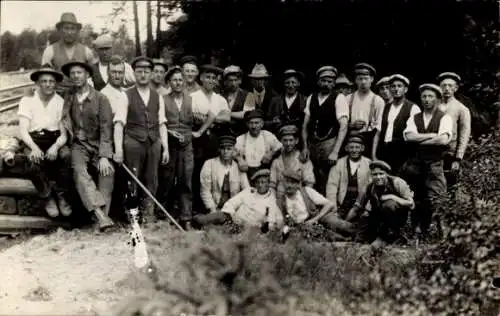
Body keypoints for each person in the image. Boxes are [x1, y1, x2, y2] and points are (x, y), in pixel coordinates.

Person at [113, 56, 170, 224]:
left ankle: (148, 213)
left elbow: (162, 124)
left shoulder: (157, 96)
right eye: (139, 72)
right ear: (134, 74)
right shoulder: (126, 95)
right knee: (133, 178)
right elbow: (118, 124)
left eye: (146, 71)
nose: (143, 75)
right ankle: (132, 214)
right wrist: (119, 150)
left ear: (151, 74)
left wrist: (165, 147)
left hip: (153, 143)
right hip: (133, 142)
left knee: (152, 179)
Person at [60, 61, 114, 231]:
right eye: (73, 73)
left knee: (107, 173)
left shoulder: (101, 98)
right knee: (79, 172)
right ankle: (100, 215)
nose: (76, 76)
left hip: (98, 145)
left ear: (88, 75)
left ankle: (101, 220)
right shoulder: (68, 97)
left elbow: (107, 128)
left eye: (79, 72)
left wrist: (104, 156)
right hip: (79, 145)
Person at [17, 67, 72, 218]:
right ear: (37, 84)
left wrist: (55, 147)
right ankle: (47, 197)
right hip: (33, 140)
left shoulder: (60, 102)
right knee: (31, 160)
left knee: (67, 156)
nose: (48, 85)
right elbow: (23, 131)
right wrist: (34, 148)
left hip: (54, 139)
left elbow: (64, 134)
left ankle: (61, 196)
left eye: (51, 81)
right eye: (44, 81)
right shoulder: (27, 101)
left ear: (55, 84)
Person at [402, 83, 453, 236]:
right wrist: (431, 135)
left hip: (435, 163)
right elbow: (408, 136)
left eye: (430, 96)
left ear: (437, 99)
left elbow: (443, 140)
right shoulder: (414, 118)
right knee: (417, 197)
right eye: (424, 96)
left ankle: (443, 233)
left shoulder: (444, 117)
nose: (427, 99)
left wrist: (419, 140)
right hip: (416, 164)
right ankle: (418, 231)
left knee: (438, 197)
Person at [301, 65, 349, 195]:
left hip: (330, 143)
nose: (326, 84)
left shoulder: (339, 98)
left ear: (333, 84)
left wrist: (335, 151)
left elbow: (343, 127)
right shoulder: (311, 97)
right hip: (313, 144)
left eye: (329, 82)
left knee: (328, 177)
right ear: (318, 82)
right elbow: (305, 124)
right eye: (323, 81)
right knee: (312, 174)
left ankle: (329, 207)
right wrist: (305, 146)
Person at [345, 160, 415, 248]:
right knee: (363, 222)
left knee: (389, 204)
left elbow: (411, 204)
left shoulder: (397, 182)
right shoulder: (369, 187)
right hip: (380, 220)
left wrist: (393, 197)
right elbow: (356, 207)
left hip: (399, 220)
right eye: (375, 174)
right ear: (371, 175)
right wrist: (345, 222)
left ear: (386, 174)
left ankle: (395, 235)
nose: (378, 177)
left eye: (381, 174)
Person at [157, 66, 194, 230]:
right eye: (174, 80)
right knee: (167, 179)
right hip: (169, 145)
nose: (178, 83)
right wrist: (170, 133)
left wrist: (197, 132)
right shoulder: (162, 99)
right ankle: (163, 214)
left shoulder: (192, 99)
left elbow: (205, 117)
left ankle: (186, 217)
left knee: (185, 179)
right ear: (169, 82)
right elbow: (159, 123)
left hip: (187, 145)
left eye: (180, 80)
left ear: (184, 81)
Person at [190, 64, 231, 210]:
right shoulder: (193, 97)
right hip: (198, 141)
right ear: (201, 78)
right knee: (197, 171)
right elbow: (191, 117)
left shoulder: (220, 99)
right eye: (208, 77)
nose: (211, 81)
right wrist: (213, 117)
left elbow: (226, 117)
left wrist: (207, 118)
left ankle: (212, 206)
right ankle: (196, 206)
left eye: (214, 78)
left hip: (214, 139)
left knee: (213, 171)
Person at [195, 169, 283, 230]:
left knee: (214, 232)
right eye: (257, 182)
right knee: (206, 219)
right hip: (231, 219)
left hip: (245, 230)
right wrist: (230, 215)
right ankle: (197, 220)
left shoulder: (272, 201)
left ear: (268, 183)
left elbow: (275, 221)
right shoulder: (249, 191)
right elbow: (232, 203)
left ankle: (204, 229)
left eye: (263, 182)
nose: (260, 185)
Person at [375, 74, 420, 173]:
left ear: (406, 89)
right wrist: (374, 155)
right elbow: (378, 133)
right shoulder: (385, 108)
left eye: (399, 86)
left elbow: (416, 137)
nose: (396, 89)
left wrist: (411, 160)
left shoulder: (413, 108)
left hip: (403, 154)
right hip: (384, 152)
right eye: (393, 86)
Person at [41, 13, 96, 95]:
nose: (69, 32)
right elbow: (44, 77)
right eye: (66, 28)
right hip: (57, 96)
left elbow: (92, 76)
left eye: (73, 29)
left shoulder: (86, 51)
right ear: (60, 30)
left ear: (77, 31)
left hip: (80, 96)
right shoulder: (50, 51)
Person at [437, 72, 471, 191]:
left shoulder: (461, 109)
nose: (447, 89)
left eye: (450, 86)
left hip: (450, 154)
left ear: (456, 88)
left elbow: (464, 135)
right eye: (444, 85)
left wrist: (458, 158)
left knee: (450, 187)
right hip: (432, 153)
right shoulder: (434, 106)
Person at [198, 135, 250, 214]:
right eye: (223, 148)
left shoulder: (238, 166)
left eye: (229, 149)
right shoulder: (209, 164)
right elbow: (205, 190)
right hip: (215, 207)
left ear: (234, 150)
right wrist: (212, 208)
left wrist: (238, 207)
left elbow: (247, 190)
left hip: (234, 208)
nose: (225, 151)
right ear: (219, 149)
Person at [326, 135, 372, 222]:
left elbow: (372, 189)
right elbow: (331, 187)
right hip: (342, 205)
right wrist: (333, 209)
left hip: (360, 206)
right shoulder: (339, 163)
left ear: (362, 148)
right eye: (351, 147)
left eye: (357, 147)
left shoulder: (369, 164)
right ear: (347, 148)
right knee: (332, 221)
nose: (354, 150)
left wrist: (367, 209)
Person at [345, 63, 385, 157]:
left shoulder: (378, 101)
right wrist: (351, 125)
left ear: (371, 79)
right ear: (355, 80)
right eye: (360, 78)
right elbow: (340, 125)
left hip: (369, 141)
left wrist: (373, 154)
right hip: (350, 140)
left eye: (366, 78)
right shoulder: (348, 99)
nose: (363, 82)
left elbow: (378, 130)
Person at [270, 124, 315, 200]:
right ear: (281, 141)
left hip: (298, 198)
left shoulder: (302, 160)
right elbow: (272, 184)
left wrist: (304, 199)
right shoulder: (276, 161)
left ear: (296, 141)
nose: (288, 144)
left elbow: (309, 183)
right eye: (285, 140)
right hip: (280, 198)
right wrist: (273, 200)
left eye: (291, 140)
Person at [235, 110, 283, 179]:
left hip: (264, 171)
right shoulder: (241, 138)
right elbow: (233, 151)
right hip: (247, 172)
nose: (253, 126)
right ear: (247, 124)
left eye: (256, 123)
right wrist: (239, 159)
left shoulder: (267, 135)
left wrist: (271, 153)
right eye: (251, 123)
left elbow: (281, 147)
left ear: (262, 124)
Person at [265, 69, 307, 134]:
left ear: (298, 84)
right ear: (284, 84)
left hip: (298, 137)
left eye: (293, 82)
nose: (290, 86)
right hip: (279, 136)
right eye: (287, 83)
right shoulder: (275, 100)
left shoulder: (305, 100)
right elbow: (266, 122)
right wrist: (273, 122)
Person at [222, 65, 249, 136]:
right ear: (225, 82)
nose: (233, 84)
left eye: (235, 80)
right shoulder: (220, 95)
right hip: (222, 132)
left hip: (241, 132)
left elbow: (246, 114)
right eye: (230, 80)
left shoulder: (248, 95)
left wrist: (227, 113)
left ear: (240, 81)